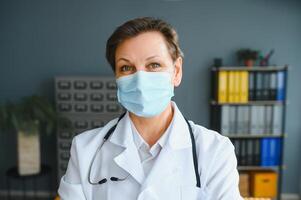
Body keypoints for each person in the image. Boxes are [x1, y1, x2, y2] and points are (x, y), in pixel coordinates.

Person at [58, 17, 243, 200]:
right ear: (116, 76)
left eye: (154, 65)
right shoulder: (85, 149)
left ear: (176, 71)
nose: (140, 80)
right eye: (126, 68)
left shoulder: (215, 151)